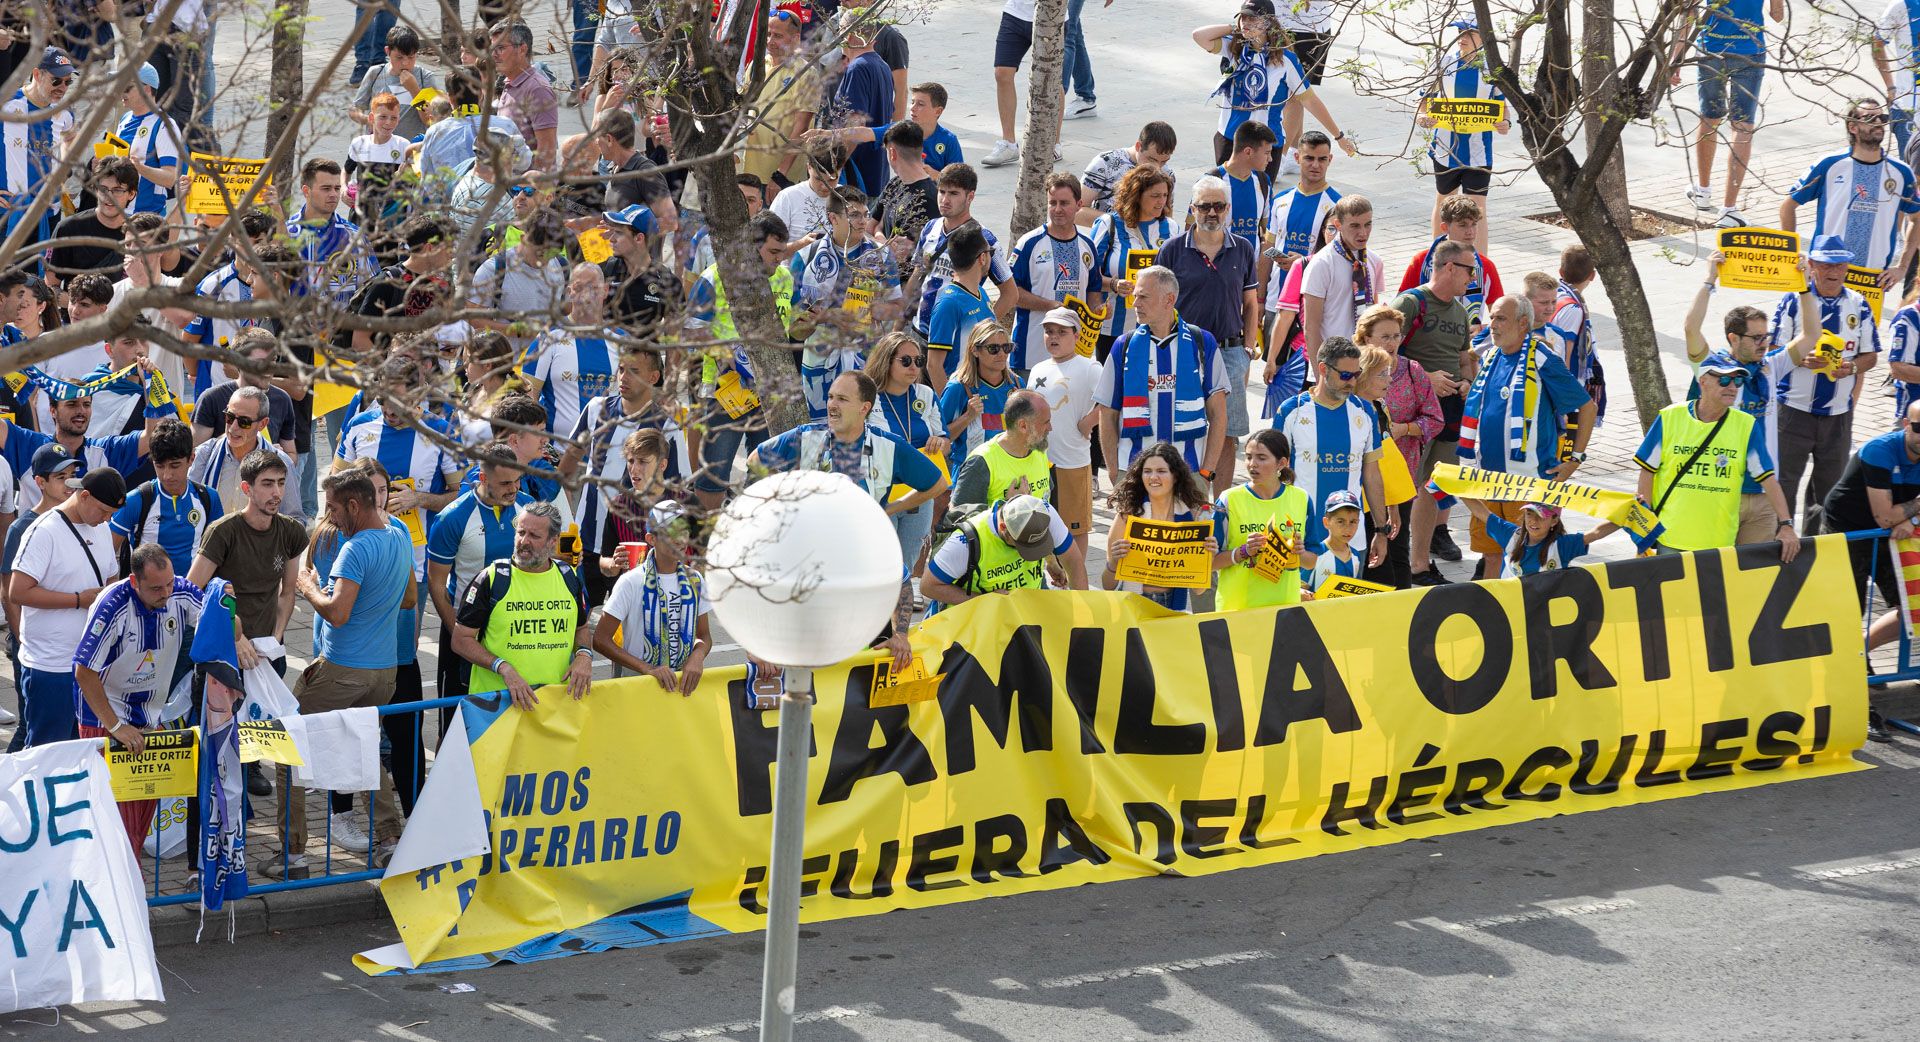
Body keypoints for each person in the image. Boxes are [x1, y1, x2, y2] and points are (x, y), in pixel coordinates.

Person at [280, 468, 415, 870]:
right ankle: (389, 838)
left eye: (334, 508)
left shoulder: (354, 549)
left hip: (343, 670)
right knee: (365, 747)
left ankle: (293, 852)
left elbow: (337, 613)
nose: (330, 517)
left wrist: (308, 587)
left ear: (355, 505)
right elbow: (409, 598)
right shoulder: (399, 534)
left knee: (284, 740)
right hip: (385, 672)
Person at [72, 542, 205, 859]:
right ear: (135, 582)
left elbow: (221, 621)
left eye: (170, 582)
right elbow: (83, 671)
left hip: (148, 720)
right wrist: (116, 726)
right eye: (157, 587)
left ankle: (132, 889)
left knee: (139, 819)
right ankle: (116, 894)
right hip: (105, 720)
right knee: (114, 820)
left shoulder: (178, 591)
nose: (167, 592)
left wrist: (230, 618)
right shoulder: (112, 606)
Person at [1683, 252, 1819, 542]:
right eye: (1756, 338)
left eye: (1766, 336)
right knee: (1718, 572)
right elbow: (1690, 328)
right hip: (1722, 490)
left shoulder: (1771, 366)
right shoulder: (1713, 367)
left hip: (1764, 493)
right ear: (1734, 338)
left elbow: (1811, 335)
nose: (1764, 343)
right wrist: (1710, 279)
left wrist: (1804, 286)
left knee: (1753, 575)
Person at [1457, 295, 1595, 579]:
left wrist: (1574, 460)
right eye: (1492, 317)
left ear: (1523, 324)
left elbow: (1587, 407)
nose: (1492, 324)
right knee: (1491, 554)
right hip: (1487, 479)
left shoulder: (1542, 359)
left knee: (1532, 560)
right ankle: (1492, 614)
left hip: (1528, 483)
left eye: (1500, 318)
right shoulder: (1491, 354)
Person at [1820, 397, 1920, 740]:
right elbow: (1885, 517)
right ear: (1906, 425)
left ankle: (1861, 650)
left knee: (1913, 605)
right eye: (1919, 428)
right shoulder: (1879, 450)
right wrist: (1914, 509)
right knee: (1849, 612)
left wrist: (1911, 516)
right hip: (1847, 530)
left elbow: (1897, 516)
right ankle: (1855, 702)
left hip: (1887, 536)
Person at [1635, 352, 1799, 560]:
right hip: (1671, 538)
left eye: (1737, 380)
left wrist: (1786, 525)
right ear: (1703, 382)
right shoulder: (1670, 417)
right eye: (1723, 380)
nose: (1732, 387)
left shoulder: (1745, 425)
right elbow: (1647, 471)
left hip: (1719, 544)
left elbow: (1767, 478)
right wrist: (1644, 528)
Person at [1157, 176, 1260, 492]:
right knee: (1182, 427)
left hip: (1229, 352)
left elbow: (1251, 303)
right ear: (1192, 208)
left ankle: (1221, 503)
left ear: (1228, 209)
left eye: (1219, 206)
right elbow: (1157, 303)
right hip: (1183, 351)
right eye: (1205, 206)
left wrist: (1248, 349)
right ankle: (1183, 498)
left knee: (1227, 433)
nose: (1212, 212)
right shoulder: (1172, 250)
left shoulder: (1243, 248)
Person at [1768, 234, 1880, 521]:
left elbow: (1871, 356)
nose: (1834, 272)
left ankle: (1816, 552)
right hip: (1792, 413)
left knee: (1829, 494)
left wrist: (1852, 368)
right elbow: (1772, 350)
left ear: (1847, 268)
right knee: (1782, 486)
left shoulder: (1859, 304)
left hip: (1838, 417)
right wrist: (1801, 359)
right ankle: (1778, 550)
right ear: (1813, 265)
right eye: (1827, 265)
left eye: (1840, 265)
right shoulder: (1795, 300)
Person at [686, 209, 792, 511]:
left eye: (782, 252)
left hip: (768, 392)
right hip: (722, 390)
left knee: (766, 471)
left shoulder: (784, 278)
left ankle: (749, 531)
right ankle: (707, 540)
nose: (778, 259)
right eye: (772, 252)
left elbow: (792, 327)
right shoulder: (715, 277)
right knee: (714, 475)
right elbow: (691, 331)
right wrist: (728, 354)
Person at [8, 466, 122, 745]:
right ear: (84, 496)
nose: (107, 519)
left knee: (82, 754)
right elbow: (17, 591)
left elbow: (111, 581)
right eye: (103, 510)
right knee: (46, 754)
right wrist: (77, 600)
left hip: (90, 667)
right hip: (50, 668)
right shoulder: (44, 531)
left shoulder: (103, 530)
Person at [450, 501, 594, 711]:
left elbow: (581, 628)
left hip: (554, 706)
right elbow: (460, 639)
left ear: (553, 541)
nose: (524, 541)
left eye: (534, 536)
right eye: (521, 532)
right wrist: (503, 668)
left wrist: (584, 655)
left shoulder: (568, 576)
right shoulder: (492, 579)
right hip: (498, 709)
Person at [1393, 237, 1478, 584]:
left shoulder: (1460, 311)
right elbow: (1380, 350)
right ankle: (1395, 560)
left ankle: (1420, 565)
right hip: (1413, 411)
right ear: (1448, 267)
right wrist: (1426, 377)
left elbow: (1463, 358)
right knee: (1405, 486)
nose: (1471, 279)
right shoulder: (1411, 302)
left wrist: (1467, 383)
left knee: (1434, 485)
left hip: (1450, 410)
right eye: (1468, 270)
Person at [751, 371, 950, 516]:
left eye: (842, 399)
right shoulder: (804, 436)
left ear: (864, 408)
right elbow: (755, 460)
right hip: (809, 544)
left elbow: (937, 484)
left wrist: (888, 509)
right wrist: (785, 497)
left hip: (860, 548)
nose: (832, 405)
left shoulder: (888, 446)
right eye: (830, 397)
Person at [1192, 0, 1356, 176]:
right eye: (1243, 18)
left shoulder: (1286, 60)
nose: (1246, 23)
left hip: (1266, 144)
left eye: (1253, 19)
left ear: (1269, 23)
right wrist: (1234, 27)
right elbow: (1199, 36)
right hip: (1231, 138)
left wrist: (1339, 136)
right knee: (1229, 194)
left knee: (1261, 197)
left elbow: (1309, 100)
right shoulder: (1234, 48)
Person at [1273, 335, 1393, 569]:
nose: (1352, 382)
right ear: (1322, 369)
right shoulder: (1291, 411)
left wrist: (1380, 529)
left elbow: (1372, 474)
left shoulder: (1365, 411)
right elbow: (1274, 475)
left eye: (1356, 375)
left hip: (1351, 540)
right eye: (1345, 375)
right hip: (1299, 538)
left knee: (1345, 606)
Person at [1096, 265, 1228, 475]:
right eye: (1135, 296)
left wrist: (1207, 471)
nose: (1135, 304)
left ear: (1169, 300)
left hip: (1189, 472)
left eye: (1143, 297)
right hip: (1133, 471)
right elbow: (1107, 412)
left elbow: (1218, 413)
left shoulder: (1202, 342)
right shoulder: (1124, 345)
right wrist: (1114, 471)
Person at [427, 443, 533, 701]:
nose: (514, 489)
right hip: (467, 628)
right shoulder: (451, 518)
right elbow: (436, 585)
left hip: (517, 629)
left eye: (518, 481)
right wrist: (461, 636)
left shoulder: (529, 508)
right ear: (483, 478)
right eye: (506, 483)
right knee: (455, 726)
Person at [186, 451, 307, 678]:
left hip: (267, 652)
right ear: (246, 489)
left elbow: (287, 592)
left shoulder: (292, 532)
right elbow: (191, 591)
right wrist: (235, 634)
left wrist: (275, 639)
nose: (277, 493)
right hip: (224, 650)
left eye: (281, 483)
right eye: (267, 484)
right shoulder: (223, 531)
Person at [1780, 99, 1920, 286]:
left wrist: (1902, 267)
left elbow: (1916, 218)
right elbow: (1788, 206)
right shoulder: (1829, 165)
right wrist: (1792, 254)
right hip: (1825, 273)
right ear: (1852, 127)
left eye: (1882, 117)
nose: (1878, 122)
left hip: (1872, 278)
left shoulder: (1901, 172)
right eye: (1870, 118)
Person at [1670, 0, 1783, 226]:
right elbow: (1777, 16)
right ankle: (1729, 209)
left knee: (1709, 118)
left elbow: (1689, 12)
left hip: (1712, 49)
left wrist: (1676, 59)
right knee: (1742, 127)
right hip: (1750, 50)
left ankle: (1702, 191)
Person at [1356, 306, 1442, 589]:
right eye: (1385, 336)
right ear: (1366, 338)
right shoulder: (1351, 383)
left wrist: (1404, 429)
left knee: (1397, 550)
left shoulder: (1412, 371)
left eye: (1396, 336)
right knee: (1369, 557)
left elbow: (1435, 419)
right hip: (1362, 488)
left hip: (1400, 476)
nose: (1392, 343)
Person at [594, 500, 712, 693]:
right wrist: (648, 669)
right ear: (651, 538)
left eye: (684, 530)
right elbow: (600, 639)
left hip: (682, 687)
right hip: (638, 688)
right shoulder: (631, 582)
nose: (680, 539)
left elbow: (704, 635)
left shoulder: (695, 580)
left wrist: (697, 656)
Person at [1417, 20, 1510, 249]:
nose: (1463, 36)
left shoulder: (1491, 69)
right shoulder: (1443, 64)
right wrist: (1421, 117)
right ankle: (1438, 256)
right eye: (1460, 31)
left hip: (1479, 152)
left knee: (1477, 208)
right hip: (1446, 148)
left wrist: (1505, 122)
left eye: (1470, 32)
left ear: (1483, 37)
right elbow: (1424, 102)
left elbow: (1501, 106)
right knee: (1444, 202)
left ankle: (1481, 267)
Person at [864, 333, 950, 567]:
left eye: (918, 361)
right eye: (906, 361)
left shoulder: (926, 394)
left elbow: (946, 442)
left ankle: (904, 598)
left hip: (921, 492)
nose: (914, 367)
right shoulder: (868, 398)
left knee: (907, 564)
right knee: (883, 564)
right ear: (886, 361)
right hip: (881, 492)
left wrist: (938, 443)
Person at [1008, 172, 1104, 373]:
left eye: (1064, 203)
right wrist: (1050, 306)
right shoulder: (1029, 243)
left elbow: (1093, 290)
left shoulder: (1087, 246)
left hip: (1074, 358)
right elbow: (1011, 293)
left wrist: (1098, 310)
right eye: (1053, 203)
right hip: (1030, 355)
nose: (1057, 209)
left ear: (1079, 205)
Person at [1102, 443, 1216, 612]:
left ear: (1175, 476)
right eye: (1147, 471)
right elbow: (1107, 585)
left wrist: (1207, 560)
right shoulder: (1127, 516)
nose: (1153, 477)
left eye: (1161, 471)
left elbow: (1198, 590)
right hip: (1133, 604)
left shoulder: (1191, 517)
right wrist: (1113, 561)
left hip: (1172, 605)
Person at [1212, 428, 1311, 610]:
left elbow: (1311, 561)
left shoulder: (1302, 499)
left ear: (1282, 463)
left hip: (1285, 608)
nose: (1252, 464)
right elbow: (1209, 562)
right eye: (1249, 457)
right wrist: (1244, 551)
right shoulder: (1228, 500)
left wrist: (1299, 552)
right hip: (1238, 609)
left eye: (1261, 458)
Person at [922, 493, 1075, 606]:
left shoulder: (1042, 511)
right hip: (977, 630)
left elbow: (1074, 559)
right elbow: (928, 586)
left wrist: (1051, 560)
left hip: (1024, 621)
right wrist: (985, 600)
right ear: (1003, 528)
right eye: (1022, 546)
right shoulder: (964, 543)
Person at [110, 418, 220, 575]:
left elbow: (218, 555)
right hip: (144, 597)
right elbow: (105, 555)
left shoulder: (209, 499)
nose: (167, 475)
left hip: (192, 596)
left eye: (175, 465)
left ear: (191, 459)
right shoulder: (135, 500)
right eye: (159, 466)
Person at [1028, 309, 1101, 545]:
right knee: (1040, 527)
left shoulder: (1089, 367)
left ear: (1077, 336)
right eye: (1049, 332)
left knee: (1075, 529)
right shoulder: (1038, 369)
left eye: (1061, 332)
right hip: (1038, 461)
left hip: (1072, 461)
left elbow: (1112, 400)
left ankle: (1076, 582)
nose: (1054, 337)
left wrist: (1088, 422)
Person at [1089, 164, 1176, 362]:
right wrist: (1114, 284)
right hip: (1113, 328)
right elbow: (1088, 273)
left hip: (1157, 327)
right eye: (1155, 196)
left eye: (1164, 195)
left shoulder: (1171, 228)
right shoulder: (1108, 224)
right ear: (1136, 195)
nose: (1161, 202)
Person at [811, 10, 895, 197]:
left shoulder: (858, 67)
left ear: (847, 35)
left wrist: (835, 169)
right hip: (876, 172)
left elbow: (855, 125)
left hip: (856, 176)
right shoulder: (882, 66)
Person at [1, 48, 78, 248]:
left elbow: (70, 137)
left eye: (68, 82)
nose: (62, 87)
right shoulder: (7, 103)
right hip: (8, 214)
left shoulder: (64, 111)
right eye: (56, 80)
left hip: (47, 213)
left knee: (39, 278)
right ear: (37, 74)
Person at [189, 385, 302, 519]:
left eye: (244, 422)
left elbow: (295, 520)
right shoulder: (205, 455)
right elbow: (189, 506)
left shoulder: (281, 463)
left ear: (262, 424)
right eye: (230, 417)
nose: (233, 428)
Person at [470, 209, 570, 357]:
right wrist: (515, 329)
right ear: (524, 239)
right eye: (540, 253)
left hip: (551, 360)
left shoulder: (561, 265)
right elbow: (474, 319)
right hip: (509, 363)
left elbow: (566, 309)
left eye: (551, 255)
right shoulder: (493, 269)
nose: (543, 261)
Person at [741, 10, 821, 190]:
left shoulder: (806, 74)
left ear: (795, 38)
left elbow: (802, 128)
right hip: (746, 170)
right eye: (768, 34)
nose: (770, 41)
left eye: (778, 36)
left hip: (776, 178)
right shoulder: (758, 64)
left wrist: (780, 174)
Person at [1399, 195, 1505, 330]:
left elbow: (1502, 315)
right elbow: (1401, 310)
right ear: (1445, 227)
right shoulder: (1421, 261)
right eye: (1463, 225)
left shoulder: (1486, 266)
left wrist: (1480, 329)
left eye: (1474, 224)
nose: (1470, 232)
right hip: (1426, 343)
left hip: (1468, 344)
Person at [1300, 195, 1385, 358]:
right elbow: (1311, 328)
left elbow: (1373, 310)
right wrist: (1321, 377)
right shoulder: (1322, 263)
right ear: (1338, 225)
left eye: (1368, 224)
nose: (1363, 232)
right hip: (1334, 363)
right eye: (1355, 226)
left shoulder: (1374, 261)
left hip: (1365, 360)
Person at [191, 328, 297, 456]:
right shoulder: (212, 398)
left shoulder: (282, 399)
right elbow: (193, 456)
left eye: (273, 360)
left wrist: (278, 458)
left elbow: (291, 453)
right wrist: (242, 443)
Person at [982, 0, 1063, 168]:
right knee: (1002, 73)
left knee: (1051, 77)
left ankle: (1053, 143)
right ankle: (1009, 144)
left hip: (1052, 16)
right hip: (1015, 13)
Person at [1260, 130, 1342, 293]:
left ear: (1330, 160)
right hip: (1275, 298)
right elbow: (1268, 247)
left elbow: (1341, 257)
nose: (1316, 165)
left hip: (1314, 300)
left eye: (1322, 159)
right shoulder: (1280, 200)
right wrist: (1260, 297)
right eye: (1309, 158)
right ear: (1297, 157)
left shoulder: (1338, 205)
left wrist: (1304, 263)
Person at [940, 321, 1027, 465]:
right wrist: (968, 417)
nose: (1001, 354)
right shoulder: (958, 388)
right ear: (975, 350)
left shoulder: (1017, 384)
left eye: (1006, 347)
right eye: (993, 348)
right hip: (971, 473)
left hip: (1010, 471)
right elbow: (940, 438)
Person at [924, 225, 1000, 388]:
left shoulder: (981, 292)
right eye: (990, 253)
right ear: (982, 258)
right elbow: (933, 365)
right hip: (964, 404)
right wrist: (950, 409)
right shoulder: (949, 304)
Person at [1461, 500, 1617, 578]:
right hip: (1510, 610)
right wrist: (1453, 483)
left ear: (1554, 521)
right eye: (1529, 514)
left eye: (1541, 517)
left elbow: (1596, 532)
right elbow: (1481, 512)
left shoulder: (1561, 545)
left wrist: (1627, 514)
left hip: (1544, 616)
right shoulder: (1511, 536)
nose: (1533, 522)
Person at [47, 157, 135, 291]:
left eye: (117, 190)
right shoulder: (68, 229)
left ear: (132, 194)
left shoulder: (139, 232)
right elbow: (49, 286)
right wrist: (76, 302)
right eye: (103, 189)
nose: (109, 196)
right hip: (76, 310)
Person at [113, 62, 183, 216]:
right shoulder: (125, 118)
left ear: (146, 89)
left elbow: (171, 179)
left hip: (145, 219)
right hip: (117, 213)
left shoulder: (164, 125)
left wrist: (140, 168)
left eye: (126, 88)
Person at [350, 23, 438, 140]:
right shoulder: (375, 73)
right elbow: (355, 109)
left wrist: (414, 90)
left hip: (411, 149)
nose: (405, 63)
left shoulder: (425, 77)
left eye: (411, 57)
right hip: (379, 146)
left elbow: (430, 121)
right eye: (399, 57)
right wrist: (370, 120)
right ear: (387, 51)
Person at [490, 22, 559, 170]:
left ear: (522, 49)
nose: (494, 54)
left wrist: (529, 189)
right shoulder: (507, 81)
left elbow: (546, 152)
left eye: (500, 48)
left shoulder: (537, 90)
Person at [1079, 121, 1177, 222]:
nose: (1157, 168)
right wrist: (1118, 222)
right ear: (1139, 146)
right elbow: (1078, 210)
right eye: (1151, 159)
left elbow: (1167, 217)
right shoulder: (1106, 163)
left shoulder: (1167, 174)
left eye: (1164, 161)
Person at [870, 120, 939, 252]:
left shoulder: (929, 198)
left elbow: (907, 253)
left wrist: (879, 236)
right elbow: (872, 226)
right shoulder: (894, 184)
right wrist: (882, 240)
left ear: (892, 153)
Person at [1206, 120, 1275, 245]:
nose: (1270, 159)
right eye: (1267, 153)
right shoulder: (1211, 181)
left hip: (1252, 263)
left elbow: (1268, 230)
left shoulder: (1263, 181)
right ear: (1248, 151)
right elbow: (1192, 230)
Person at [770, 137, 843, 240]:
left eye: (831, 180)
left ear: (841, 170)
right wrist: (802, 245)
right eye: (818, 179)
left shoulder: (847, 198)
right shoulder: (787, 197)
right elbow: (770, 247)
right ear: (809, 167)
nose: (824, 186)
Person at [1305, 489, 1363, 597]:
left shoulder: (1356, 556)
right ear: (1326, 522)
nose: (1348, 528)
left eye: (1353, 522)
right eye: (1340, 521)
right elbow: (1299, 589)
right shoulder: (1315, 554)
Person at [908, 82, 964, 172]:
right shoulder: (901, 132)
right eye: (912, 102)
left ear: (938, 111)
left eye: (920, 104)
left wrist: (935, 175)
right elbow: (877, 134)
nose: (912, 108)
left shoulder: (948, 140)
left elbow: (959, 182)